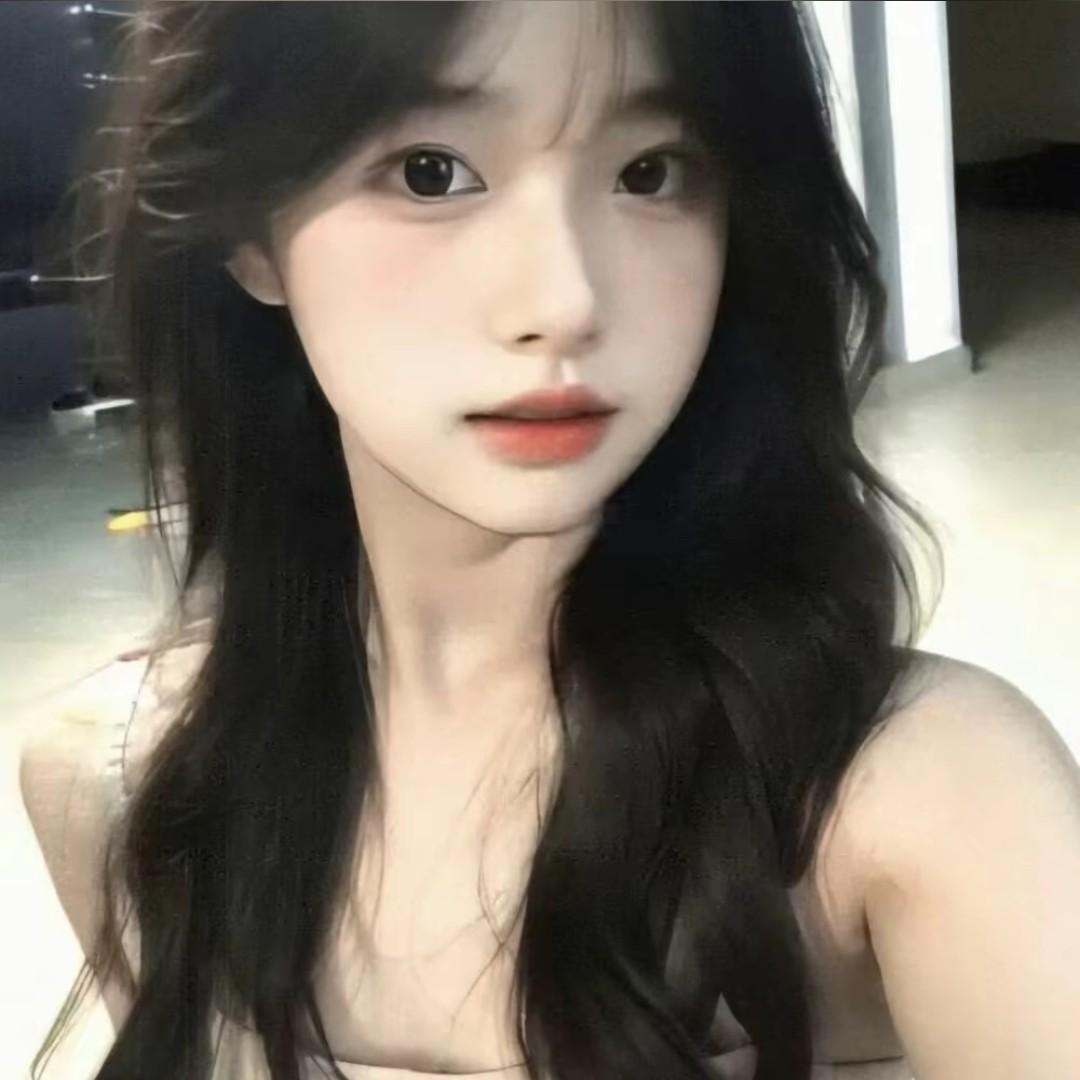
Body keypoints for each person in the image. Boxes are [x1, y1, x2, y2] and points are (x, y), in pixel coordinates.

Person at [19, 2, 1080, 1079]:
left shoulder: (914, 799)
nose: (565, 300)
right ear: (248, 229)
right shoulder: (116, 789)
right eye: (431, 172)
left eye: (651, 172)